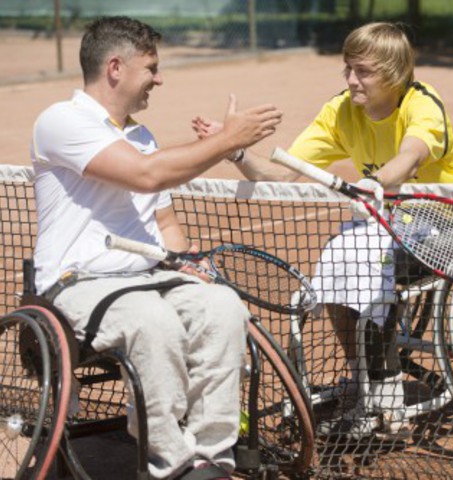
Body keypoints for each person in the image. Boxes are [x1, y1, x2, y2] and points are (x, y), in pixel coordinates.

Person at [192, 22, 453, 440]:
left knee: (379, 271)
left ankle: (387, 400)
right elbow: (279, 174)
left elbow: (411, 155)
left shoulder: (422, 103)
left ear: (394, 72)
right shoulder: (340, 111)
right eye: (348, 69)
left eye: (363, 71)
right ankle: (367, 378)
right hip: (400, 221)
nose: (351, 79)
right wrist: (233, 148)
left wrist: (377, 182)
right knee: (338, 261)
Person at [31, 16, 282, 480]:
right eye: (151, 67)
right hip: (79, 284)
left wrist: (187, 264)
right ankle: (170, 461)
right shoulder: (61, 121)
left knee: (222, 305)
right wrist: (229, 140)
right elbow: (147, 174)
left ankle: (212, 455)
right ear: (115, 68)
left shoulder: (142, 136)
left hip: (150, 278)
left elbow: (163, 221)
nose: (159, 79)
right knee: (153, 321)